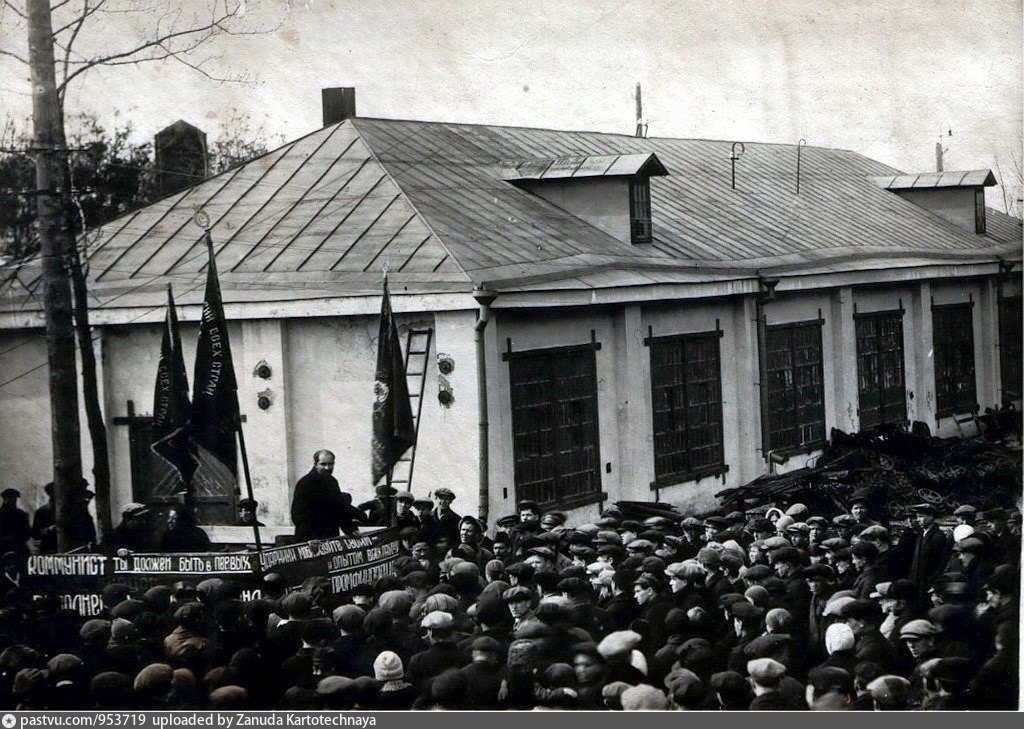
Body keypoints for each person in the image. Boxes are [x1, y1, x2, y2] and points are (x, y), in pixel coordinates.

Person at [290, 450, 359, 540]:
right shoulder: (305, 483)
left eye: (330, 464)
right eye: (323, 464)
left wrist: (351, 530)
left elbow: (340, 509)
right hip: (311, 540)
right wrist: (309, 538)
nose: (327, 468)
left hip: (331, 536)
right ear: (315, 464)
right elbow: (298, 514)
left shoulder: (333, 482)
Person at [0, 489, 31, 555]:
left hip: (18, 546)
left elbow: (27, 533)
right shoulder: (1, 514)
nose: (12, 500)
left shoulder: (21, 514)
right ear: (5, 499)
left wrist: (16, 539)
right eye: (10, 498)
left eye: (14, 498)